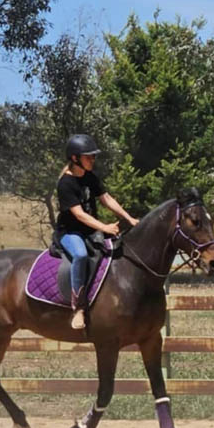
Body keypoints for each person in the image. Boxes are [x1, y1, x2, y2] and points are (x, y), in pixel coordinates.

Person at [56, 134, 138, 329]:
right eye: (88, 156)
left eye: (93, 156)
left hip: (90, 231)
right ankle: (79, 309)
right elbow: (79, 215)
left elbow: (107, 199)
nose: (93, 160)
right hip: (70, 232)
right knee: (81, 255)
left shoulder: (90, 177)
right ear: (75, 158)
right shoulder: (65, 184)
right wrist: (105, 227)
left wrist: (129, 218)